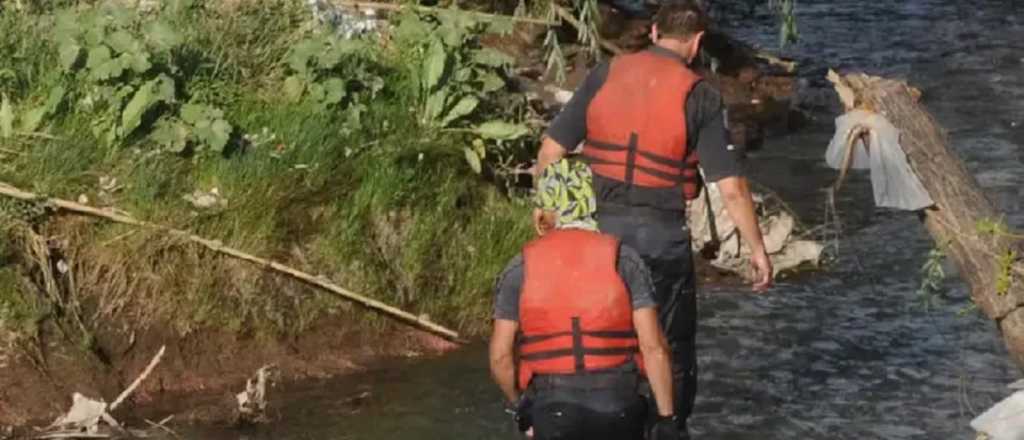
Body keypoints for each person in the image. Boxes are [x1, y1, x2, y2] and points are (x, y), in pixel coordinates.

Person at [532, 2, 774, 437]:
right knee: (671, 350)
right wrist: (757, 249)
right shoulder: (700, 95)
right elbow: (731, 188)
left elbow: (551, 151)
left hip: (595, 237)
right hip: (659, 242)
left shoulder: (607, 73)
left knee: (600, 344)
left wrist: (551, 215)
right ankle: (668, 427)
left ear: (655, 30)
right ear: (698, 42)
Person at [489, 160, 682, 440]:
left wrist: (519, 406)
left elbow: (500, 357)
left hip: (554, 410)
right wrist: (667, 419)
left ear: (544, 213)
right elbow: (655, 349)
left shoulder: (519, 269)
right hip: (621, 406)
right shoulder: (624, 260)